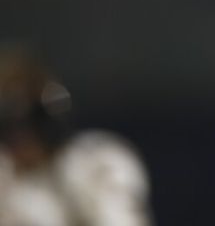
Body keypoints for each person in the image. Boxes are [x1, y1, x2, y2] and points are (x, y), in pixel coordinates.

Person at [0, 50, 153, 225]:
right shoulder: (5, 179)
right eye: (7, 124)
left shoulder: (95, 162)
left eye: (32, 119)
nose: (20, 136)